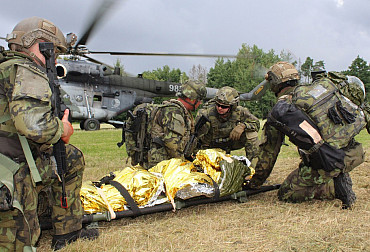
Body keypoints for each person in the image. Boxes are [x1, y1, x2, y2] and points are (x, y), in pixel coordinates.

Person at [0, 17, 98, 251]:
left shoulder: (5, 68)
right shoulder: (25, 70)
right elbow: (34, 125)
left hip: (9, 157)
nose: (54, 59)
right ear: (40, 43)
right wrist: (63, 129)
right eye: (53, 51)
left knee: (70, 158)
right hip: (12, 167)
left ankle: (68, 230)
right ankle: (65, 230)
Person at [247, 61, 369, 209]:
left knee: (286, 192)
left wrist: (255, 183)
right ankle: (333, 175)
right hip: (352, 154)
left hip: (329, 160)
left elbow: (268, 154)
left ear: (274, 83)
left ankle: (334, 187)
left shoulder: (282, 111)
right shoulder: (317, 90)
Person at [146, 80, 207, 168]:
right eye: (199, 100)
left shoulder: (182, 112)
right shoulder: (174, 112)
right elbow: (172, 147)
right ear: (192, 99)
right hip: (162, 165)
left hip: (167, 163)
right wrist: (185, 166)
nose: (200, 103)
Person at [195, 86, 260, 163]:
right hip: (210, 146)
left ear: (232, 106)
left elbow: (256, 123)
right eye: (217, 105)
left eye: (224, 106)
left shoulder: (240, 112)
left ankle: (253, 167)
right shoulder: (205, 113)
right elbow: (195, 136)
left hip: (231, 142)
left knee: (251, 134)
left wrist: (243, 126)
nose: (220, 108)